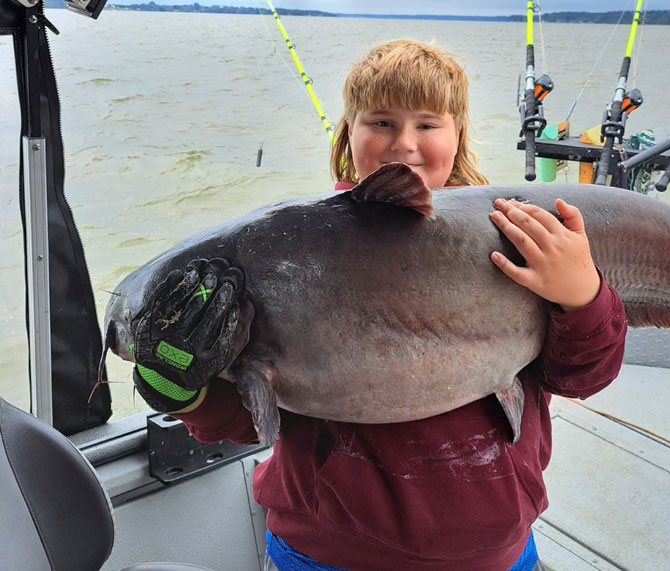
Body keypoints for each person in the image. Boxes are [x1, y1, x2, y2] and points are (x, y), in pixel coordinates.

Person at [130, 39, 627, 570]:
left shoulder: (519, 241)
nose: (404, 145)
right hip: (327, 554)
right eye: (382, 123)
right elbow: (252, 423)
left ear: (458, 138)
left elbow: (581, 377)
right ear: (349, 134)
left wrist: (584, 297)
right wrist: (180, 388)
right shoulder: (286, 259)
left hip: (500, 553)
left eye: (428, 125)